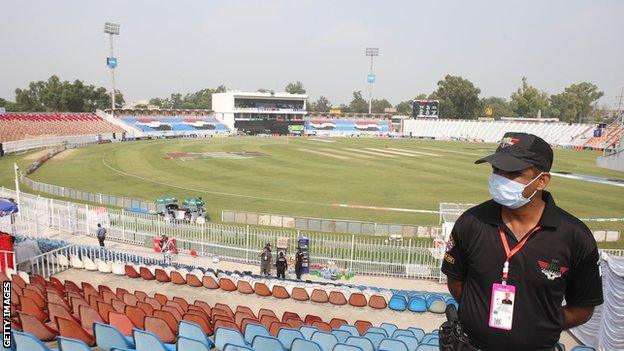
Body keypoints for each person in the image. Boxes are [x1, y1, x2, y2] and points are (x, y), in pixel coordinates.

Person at [441, 132, 603, 351]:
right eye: (496, 170)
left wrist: (540, 324)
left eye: (513, 172)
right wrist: (477, 314)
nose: (500, 178)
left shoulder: (575, 236)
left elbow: (583, 308)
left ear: (542, 180)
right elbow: (456, 283)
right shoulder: (470, 222)